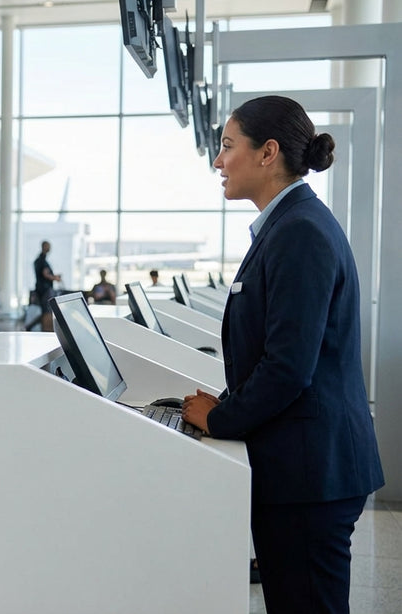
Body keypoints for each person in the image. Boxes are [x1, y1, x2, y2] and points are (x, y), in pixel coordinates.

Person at [181, 95, 383, 614]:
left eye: (228, 146)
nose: (218, 161)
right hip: (301, 466)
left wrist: (221, 417)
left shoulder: (299, 233)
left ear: (268, 152)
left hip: (310, 473)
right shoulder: (289, 225)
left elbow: (289, 365)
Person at [31, 240, 62, 331]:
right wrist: (55, 278)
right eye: (48, 246)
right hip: (45, 290)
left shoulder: (38, 260)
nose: (49, 248)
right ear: (44, 247)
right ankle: (47, 330)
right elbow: (46, 274)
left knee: (45, 310)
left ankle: (40, 328)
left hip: (41, 289)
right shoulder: (42, 260)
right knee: (47, 311)